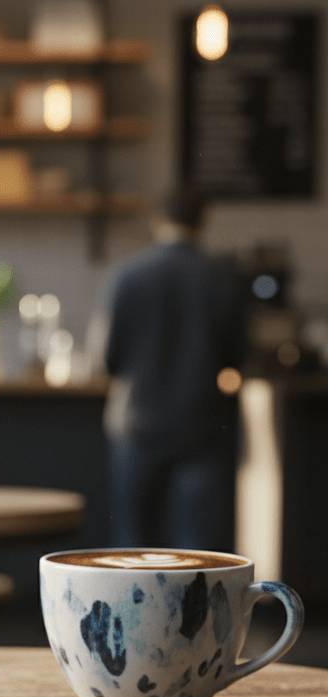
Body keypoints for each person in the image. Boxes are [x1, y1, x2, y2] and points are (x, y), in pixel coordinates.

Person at [89, 187, 247, 550]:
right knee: (198, 547)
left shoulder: (126, 276)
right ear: (202, 222)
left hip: (137, 425)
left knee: (134, 541)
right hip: (202, 426)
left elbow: (107, 359)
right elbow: (238, 356)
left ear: (157, 221)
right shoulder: (223, 277)